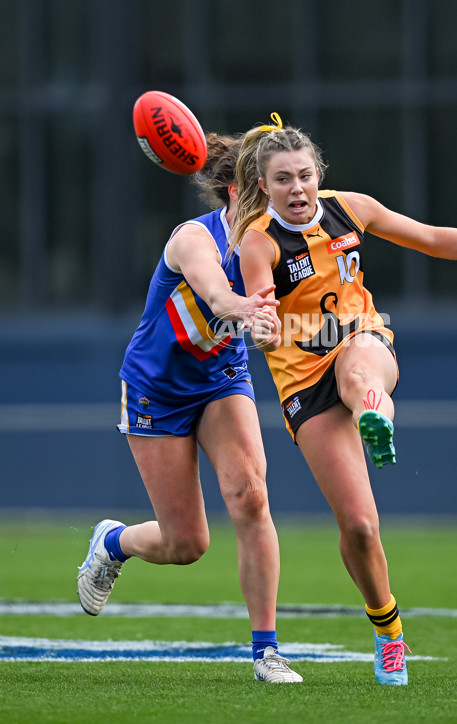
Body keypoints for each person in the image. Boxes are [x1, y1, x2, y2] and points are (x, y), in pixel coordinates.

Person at [228, 113, 457, 686]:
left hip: (361, 342)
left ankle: (375, 414)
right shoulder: (259, 242)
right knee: (359, 526)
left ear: (318, 174)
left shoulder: (351, 207)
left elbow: (430, 238)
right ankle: (389, 631)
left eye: (304, 175)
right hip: (303, 383)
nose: (297, 188)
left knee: (360, 373)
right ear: (263, 187)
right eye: (283, 180)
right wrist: (260, 326)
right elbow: (262, 313)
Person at [77, 131, 302, 684]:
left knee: (251, 496)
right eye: (262, 190)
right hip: (157, 387)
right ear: (232, 194)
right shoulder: (193, 239)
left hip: (221, 379)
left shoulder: (274, 241)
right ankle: (112, 542)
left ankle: (266, 652)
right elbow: (217, 295)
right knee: (187, 544)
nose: (276, 202)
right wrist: (248, 310)